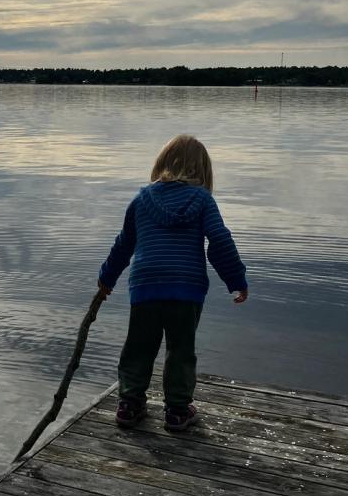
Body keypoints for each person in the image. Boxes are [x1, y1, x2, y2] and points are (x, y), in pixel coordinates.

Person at [97, 133, 247, 433]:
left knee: (138, 347)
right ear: (203, 169)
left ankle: (129, 404)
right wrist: (236, 279)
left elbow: (124, 244)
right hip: (185, 287)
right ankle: (177, 411)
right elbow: (219, 240)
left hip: (146, 285)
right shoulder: (203, 200)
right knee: (181, 348)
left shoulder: (142, 199)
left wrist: (106, 279)